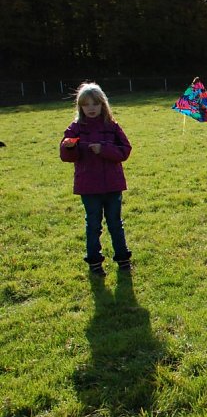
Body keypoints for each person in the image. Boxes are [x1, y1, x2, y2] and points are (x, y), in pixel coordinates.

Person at [60, 82, 133, 276]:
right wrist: (69, 147)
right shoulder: (75, 128)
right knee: (93, 225)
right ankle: (94, 262)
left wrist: (104, 150)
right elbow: (67, 156)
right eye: (86, 104)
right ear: (80, 107)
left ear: (103, 105)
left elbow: (125, 151)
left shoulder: (112, 126)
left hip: (112, 185)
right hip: (88, 186)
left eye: (95, 104)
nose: (91, 108)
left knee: (115, 223)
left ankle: (123, 258)